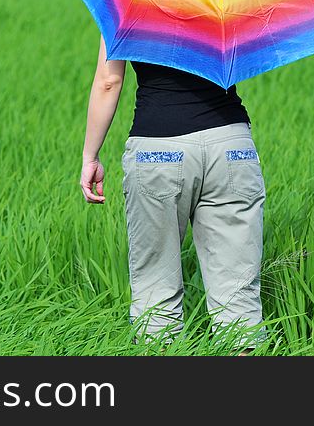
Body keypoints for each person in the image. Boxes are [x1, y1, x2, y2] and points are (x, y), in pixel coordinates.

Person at [79, 34, 267, 352]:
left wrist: (90, 156)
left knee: (156, 293)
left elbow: (109, 82)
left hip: (159, 149)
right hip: (232, 147)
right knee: (239, 300)